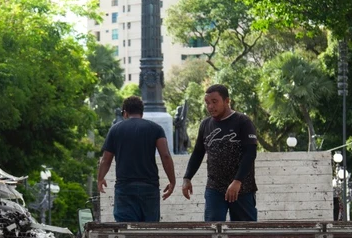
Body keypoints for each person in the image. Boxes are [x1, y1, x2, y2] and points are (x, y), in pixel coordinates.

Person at [182, 84, 259, 221]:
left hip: (242, 188)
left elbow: (250, 153)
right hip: (215, 188)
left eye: (214, 102)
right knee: (212, 227)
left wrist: (237, 181)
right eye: (207, 103)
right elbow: (198, 153)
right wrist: (187, 178)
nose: (210, 106)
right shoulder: (205, 125)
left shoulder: (243, 121)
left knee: (245, 230)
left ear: (227, 101)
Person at [97, 95, 177, 222]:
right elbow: (165, 156)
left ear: (125, 113)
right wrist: (172, 181)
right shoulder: (156, 129)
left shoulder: (115, 130)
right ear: (142, 113)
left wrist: (100, 178)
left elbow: (106, 159)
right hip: (149, 187)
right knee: (149, 230)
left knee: (126, 229)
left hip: (125, 188)